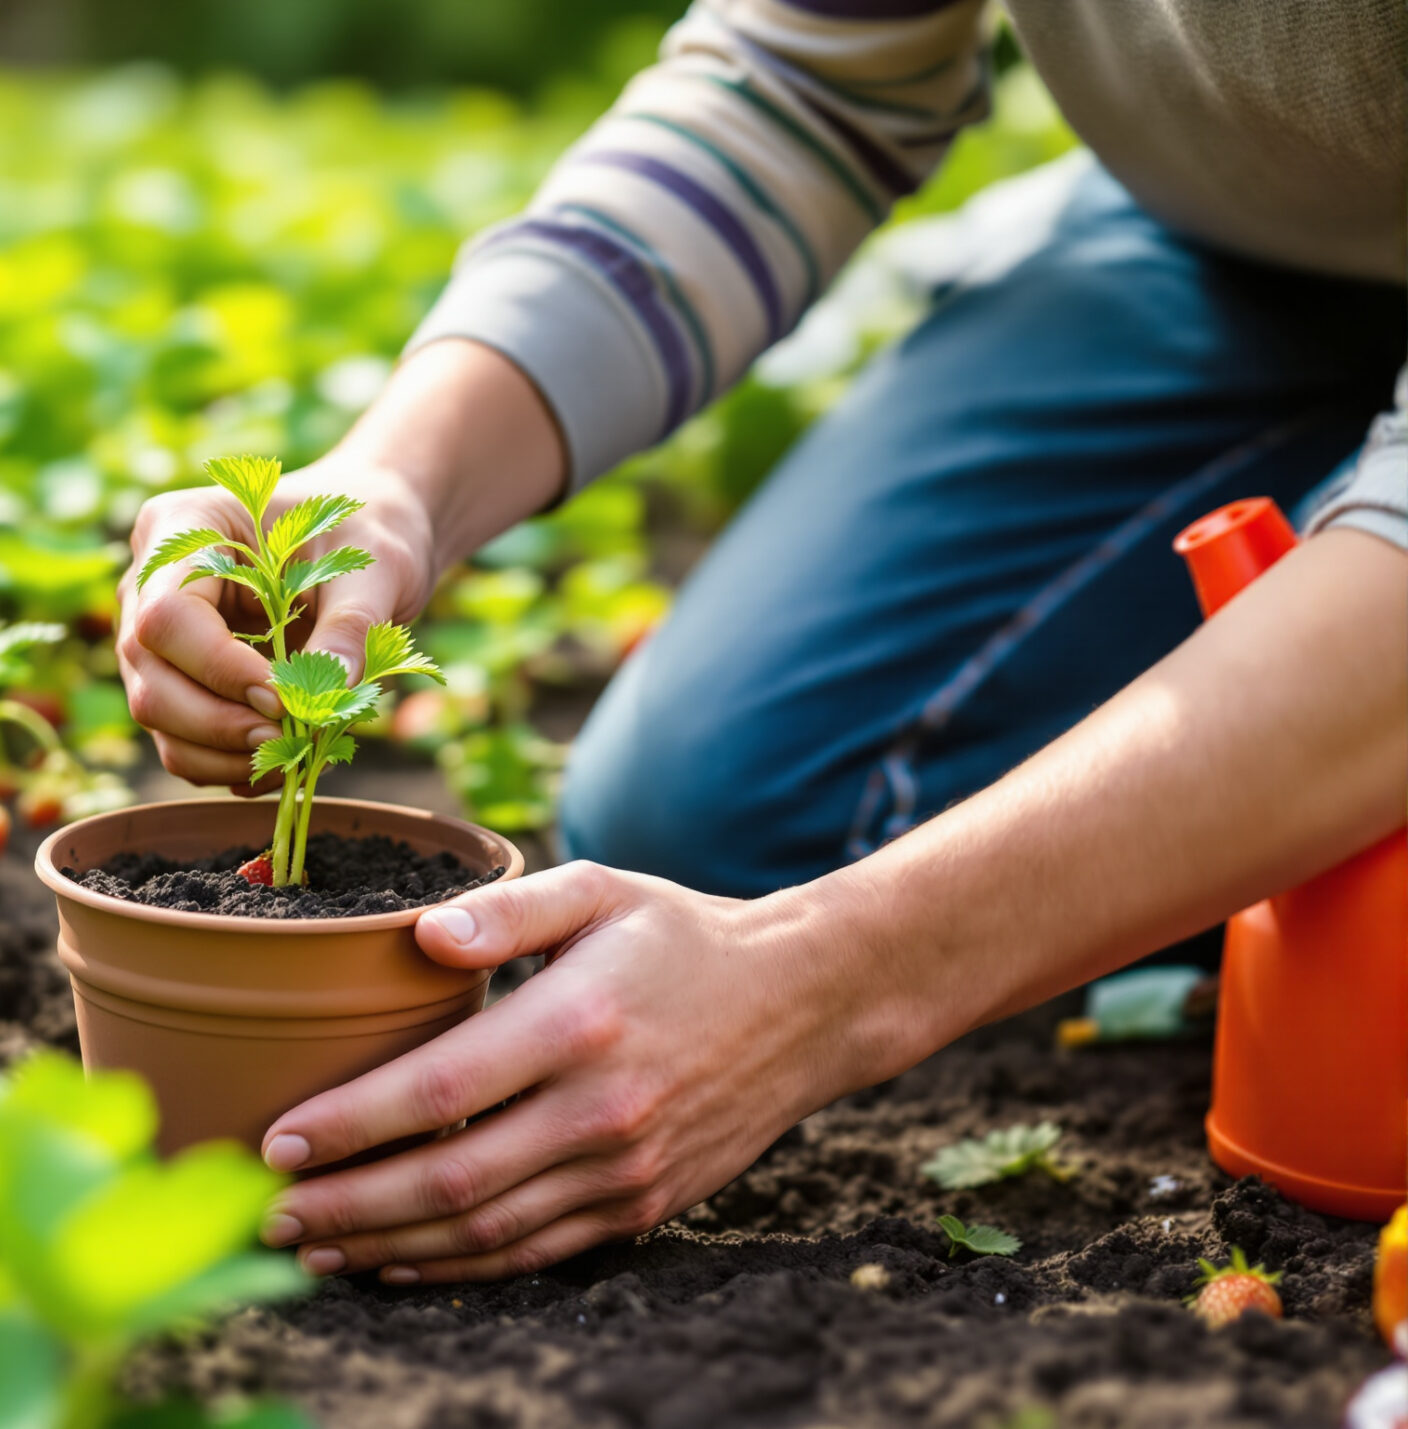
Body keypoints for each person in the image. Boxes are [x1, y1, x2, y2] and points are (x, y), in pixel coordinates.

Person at [116, 0, 1406, 1285]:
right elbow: (800, 81)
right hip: (1236, 240)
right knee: (731, 807)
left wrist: (827, 982)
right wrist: (399, 481)